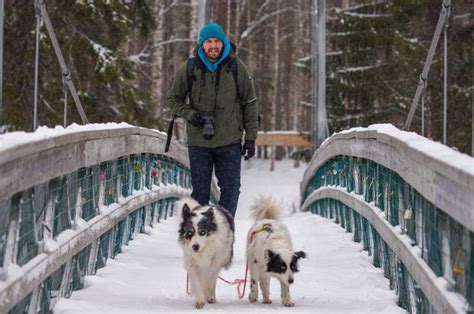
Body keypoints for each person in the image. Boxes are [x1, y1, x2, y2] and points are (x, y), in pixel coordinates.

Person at [168, 22, 259, 217]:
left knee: (231, 190)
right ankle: (203, 239)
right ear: (202, 44)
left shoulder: (236, 67)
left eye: (217, 41)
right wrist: (191, 115)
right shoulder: (190, 68)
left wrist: (251, 138)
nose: (213, 46)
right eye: (209, 41)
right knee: (200, 194)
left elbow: (250, 103)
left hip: (230, 140)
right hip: (199, 142)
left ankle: (225, 235)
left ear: (223, 42)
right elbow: (174, 100)